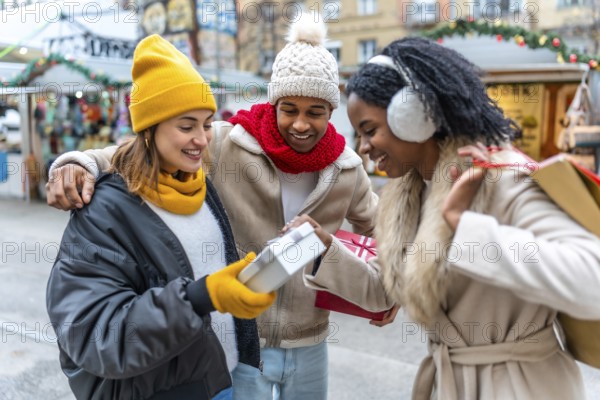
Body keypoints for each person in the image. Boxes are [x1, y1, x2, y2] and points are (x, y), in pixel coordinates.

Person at [46, 14, 395, 400]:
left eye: (315, 112)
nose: (300, 124)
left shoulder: (347, 169)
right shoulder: (230, 143)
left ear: (332, 112)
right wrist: (80, 162)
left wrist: (387, 291)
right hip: (245, 338)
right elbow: (139, 152)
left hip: (310, 339)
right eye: (289, 108)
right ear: (273, 102)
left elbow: (386, 234)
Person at [345, 36, 600, 399]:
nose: (363, 148)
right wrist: (323, 252)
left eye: (369, 130)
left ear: (415, 115)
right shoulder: (409, 197)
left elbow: (593, 281)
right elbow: (387, 288)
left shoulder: (503, 180)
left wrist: (468, 228)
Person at [46, 34, 276, 400]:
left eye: (206, 123)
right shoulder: (103, 211)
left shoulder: (200, 184)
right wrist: (200, 296)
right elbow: (96, 334)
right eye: (187, 126)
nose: (202, 139)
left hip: (227, 379)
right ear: (148, 131)